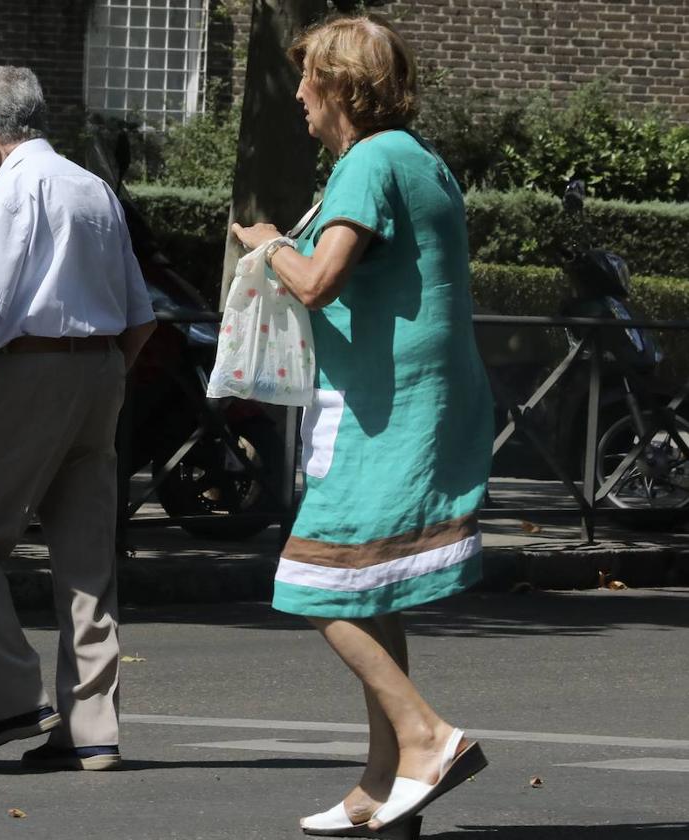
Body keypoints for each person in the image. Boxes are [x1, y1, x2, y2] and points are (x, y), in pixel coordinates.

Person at [231, 15, 493, 835]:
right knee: (371, 587)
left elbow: (316, 282)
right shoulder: (417, 158)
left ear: (341, 85)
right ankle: (385, 788)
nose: (299, 95)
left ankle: (425, 739)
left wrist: (269, 242)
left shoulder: (367, 161)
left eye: (309, 79)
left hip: (382, 408)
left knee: (312, 581)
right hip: (411, 400)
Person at [0, 65, 156, 771]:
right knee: (86, 556)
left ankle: (12, 693)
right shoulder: (92, 187)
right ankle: (92, 729)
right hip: (102, 366)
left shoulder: (12, 189)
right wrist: (99, 373)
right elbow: (140, 315)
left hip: (30, 370)